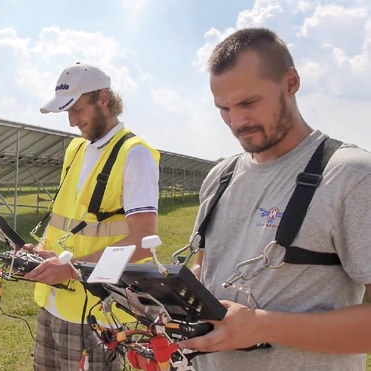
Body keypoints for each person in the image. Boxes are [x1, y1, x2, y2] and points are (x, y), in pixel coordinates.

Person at [178, 28, 371, 370]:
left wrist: (263, 326)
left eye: (248, 103)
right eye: (223, 108)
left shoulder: (351, 176)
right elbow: (206, 266)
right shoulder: (220, 177)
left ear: (291, 82)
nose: (237, 122)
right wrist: (171, 294)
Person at [22, 62, 160, 371]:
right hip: (52, 300)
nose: (72, 122)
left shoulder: (135, 154)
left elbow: (143, 241)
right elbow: (68, 218)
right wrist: (44, 253)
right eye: (66, 113)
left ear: (103, 99)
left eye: (77, 110)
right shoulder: (75, 150)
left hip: (94, 308)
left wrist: (71, 269)